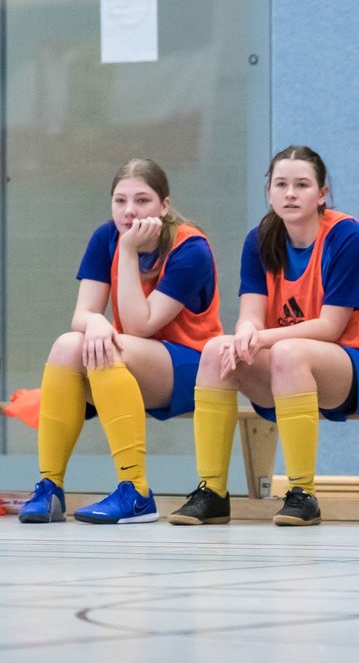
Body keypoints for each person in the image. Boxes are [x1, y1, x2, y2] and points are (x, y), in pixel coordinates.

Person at [169, 145, 359, 526]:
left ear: (322, 194)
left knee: (290, 351)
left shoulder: (348, 237)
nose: (290, 193)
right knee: (215, 350)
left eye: (302, 185)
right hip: (288, 367)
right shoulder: (259, 240)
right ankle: (213, 492)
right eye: (281, 184)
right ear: (269, 192)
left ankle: (301, 494)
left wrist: (262, 338)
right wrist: (244, 334)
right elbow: (250, 318)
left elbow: (330, 328)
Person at [18, 159, 222, 524]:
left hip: (194, 367)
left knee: (111, 348)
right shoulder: (105, 236)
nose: (129, 211)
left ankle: (136, 491)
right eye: (120, 201)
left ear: (164, 205)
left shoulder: (190, 248)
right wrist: (95, 321)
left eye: (142, 200)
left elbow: (140, 324)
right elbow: (81, 315)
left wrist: (128, 252)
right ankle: (50, 487)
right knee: (67, 345)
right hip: (130, 360)